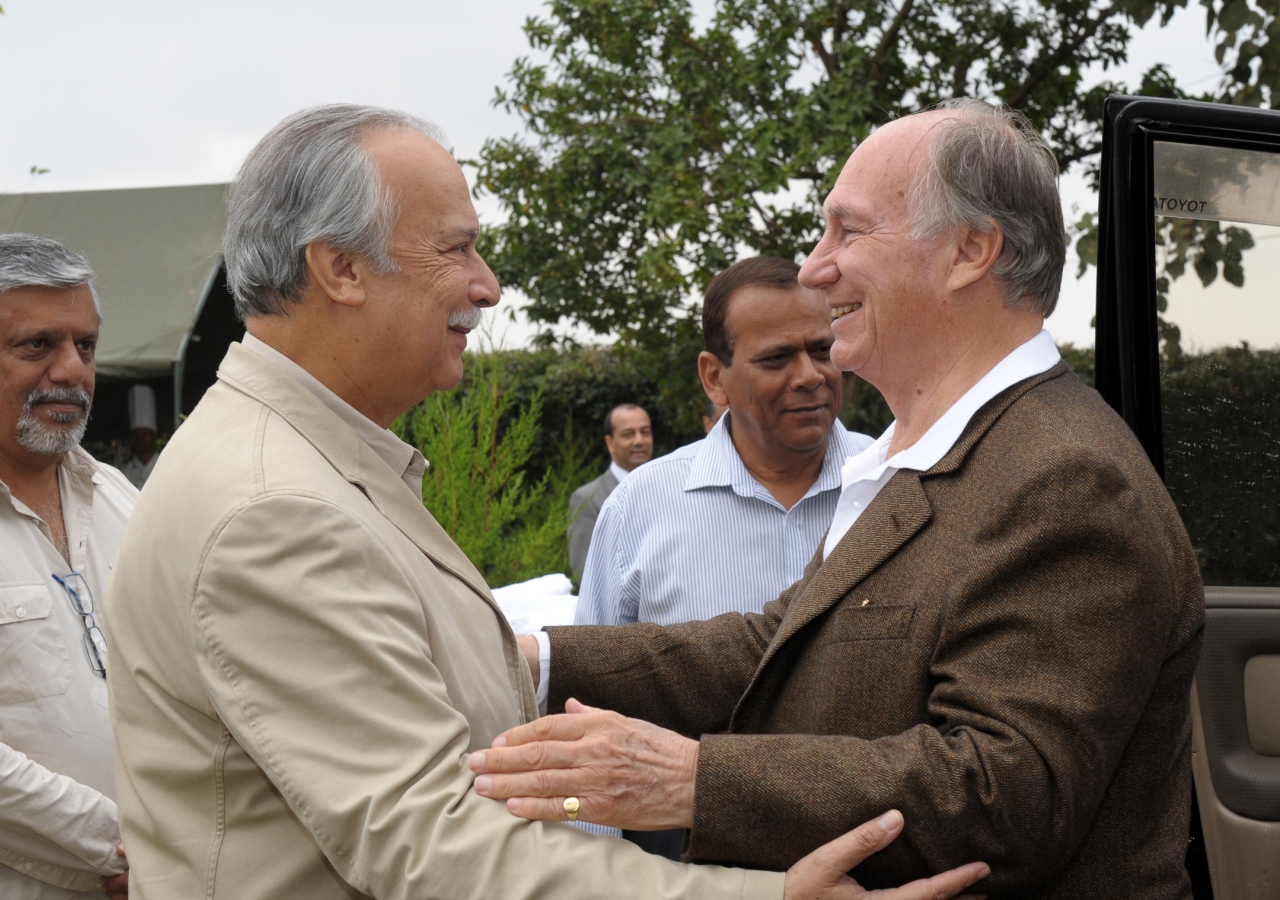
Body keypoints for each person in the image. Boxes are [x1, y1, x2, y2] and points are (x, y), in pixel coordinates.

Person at [103, 104, 988, 900]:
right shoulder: (275, 506)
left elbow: (494, 776)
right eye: (455, 248)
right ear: (340, 269)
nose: (486, 285)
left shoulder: (311, 465)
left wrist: (609, 774)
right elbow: (431, 845)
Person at [474, 100, 1205, 898]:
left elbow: (1007, 790)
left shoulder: (1065, 475)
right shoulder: (929, 453)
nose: (817, 268)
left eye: (847, 233)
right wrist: (533, 660)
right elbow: (776, 646)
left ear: (970, 250)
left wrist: (690, 778)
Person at [574, 256, 872, 630]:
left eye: (820, 350)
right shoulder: (637, 509)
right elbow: (597, 674)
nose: (810, 376)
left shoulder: (894, 480)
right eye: (776, 359)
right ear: (714, 378)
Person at [0, 233, 132, 899]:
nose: (70, 371)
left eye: (85, 346)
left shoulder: (120, 500)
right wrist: (114, 847)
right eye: (37, 345)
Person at [567, 403, 652, 574]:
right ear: (610, 443)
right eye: (628, 434)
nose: (639, 441)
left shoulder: (668, 488)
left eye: (645, 432)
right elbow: (583, 571)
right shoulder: (588, 499)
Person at [120, 385, 158, 490]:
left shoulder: (166, 466)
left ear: (154, 436)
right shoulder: (124, 474)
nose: (141, 439)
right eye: (136, 435)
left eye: (145, 434)